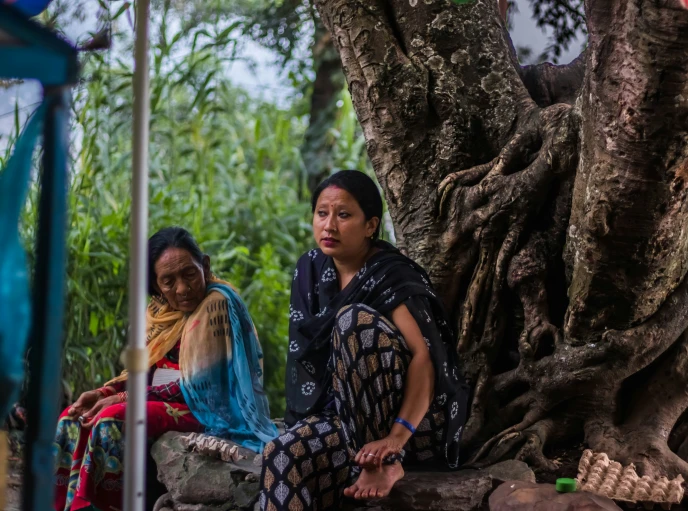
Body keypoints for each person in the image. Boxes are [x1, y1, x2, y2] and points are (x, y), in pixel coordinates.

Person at [259, 171, 470, 511]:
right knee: (280, 455)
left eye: (343, 215)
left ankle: (382, 465)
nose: (329, 225)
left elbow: (424, 357)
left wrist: (396, 439)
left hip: (408, 425)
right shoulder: (310, 271)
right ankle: (363, 459)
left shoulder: (390, 275)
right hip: (341, 420)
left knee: (352, 321)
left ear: (371, 225)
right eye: (322, 213)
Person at [53, 227, 279, 511]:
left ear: (205, 266)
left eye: (189, 274)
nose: (182, 289)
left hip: (201, 406)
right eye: (168, 281)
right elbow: (143, 371)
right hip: (157, 394)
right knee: (72, 417)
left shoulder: (216, 304)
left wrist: (125, 399)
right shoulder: (159, 313)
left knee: (111, 419)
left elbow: (200, 385)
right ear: (155, 284)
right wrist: (104, 391)